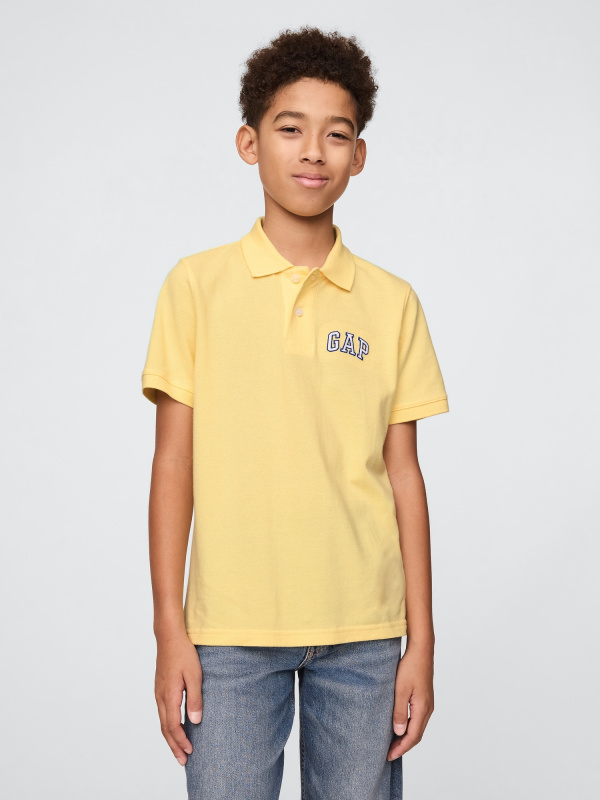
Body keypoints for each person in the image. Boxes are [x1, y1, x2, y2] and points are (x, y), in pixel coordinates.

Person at [141, 25, 449, 800]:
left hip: (366, 634)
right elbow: (173, 462)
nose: (314, 151)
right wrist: (170, 628)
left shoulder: (392, 302)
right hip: (230, 635)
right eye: (290, 129)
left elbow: (404, 477)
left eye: (336, 134)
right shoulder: (195, 287)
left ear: (359, 155)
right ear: (249, 143)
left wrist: (422, 641)